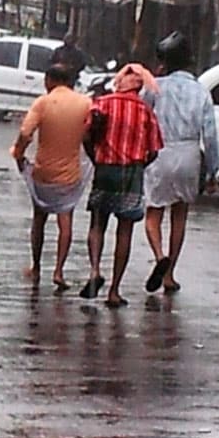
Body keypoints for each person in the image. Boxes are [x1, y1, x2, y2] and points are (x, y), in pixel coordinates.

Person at [80, 62, 163, 307]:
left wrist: (96, 157)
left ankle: (95, 270)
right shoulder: (145, 111)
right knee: (124, 231)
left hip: (105, 170)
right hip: (131, 174)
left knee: (98, 223)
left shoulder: (102, 104)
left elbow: (86, 134)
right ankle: (114, 291)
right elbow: (154, 149)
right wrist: (138, 165)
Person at [143, 31, 219, 294]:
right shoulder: (202, 92)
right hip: (189, 155)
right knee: (180, 215)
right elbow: (209, 135)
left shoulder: (154, 87)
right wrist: (212, 172)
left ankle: (159, 255)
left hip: (160, 152)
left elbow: (143, 116)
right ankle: (170, 274)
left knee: (153, 212)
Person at [10, 64, 92, 291]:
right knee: (65, 221)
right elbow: (91, 132)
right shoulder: (85, 103)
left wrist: (18, 154)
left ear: (49, 80)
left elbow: (26, 132)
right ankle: (58, 271)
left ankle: (36, 267)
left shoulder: (43, 103)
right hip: (70, 175)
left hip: (43, 173)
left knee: (39, 219)